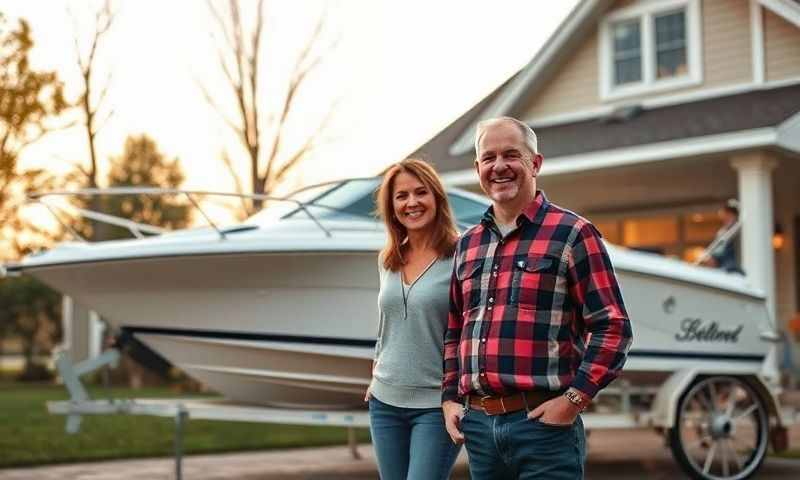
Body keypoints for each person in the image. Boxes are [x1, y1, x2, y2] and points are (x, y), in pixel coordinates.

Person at [441, 117, 633, 479]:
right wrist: (450, 397)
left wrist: (574, 400)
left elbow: (613, 327)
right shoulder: (467, 245)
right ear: (478, 168)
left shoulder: (573, 234)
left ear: (535, 164)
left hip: (545, 429)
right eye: (489, 157)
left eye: (511, 155)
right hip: (479, 429)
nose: (499, 166)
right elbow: (455, 328)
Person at [367, 158, 462, 480]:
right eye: (401, 196)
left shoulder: (462, 256)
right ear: (392, 206)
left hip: (436, 405)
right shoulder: (388, 259)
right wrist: (376, 369)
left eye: (420, 193)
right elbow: (387, 326)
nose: (411, 203)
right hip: (384, 401)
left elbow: (471, 331)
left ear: (436, 197)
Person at [701, 199, 744, 274]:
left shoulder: (738, 231)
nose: (727, 217)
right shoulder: (722, 232)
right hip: (722, 268)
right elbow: (717, 250)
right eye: (726, 214)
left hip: (731, 269)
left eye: (730, 214)